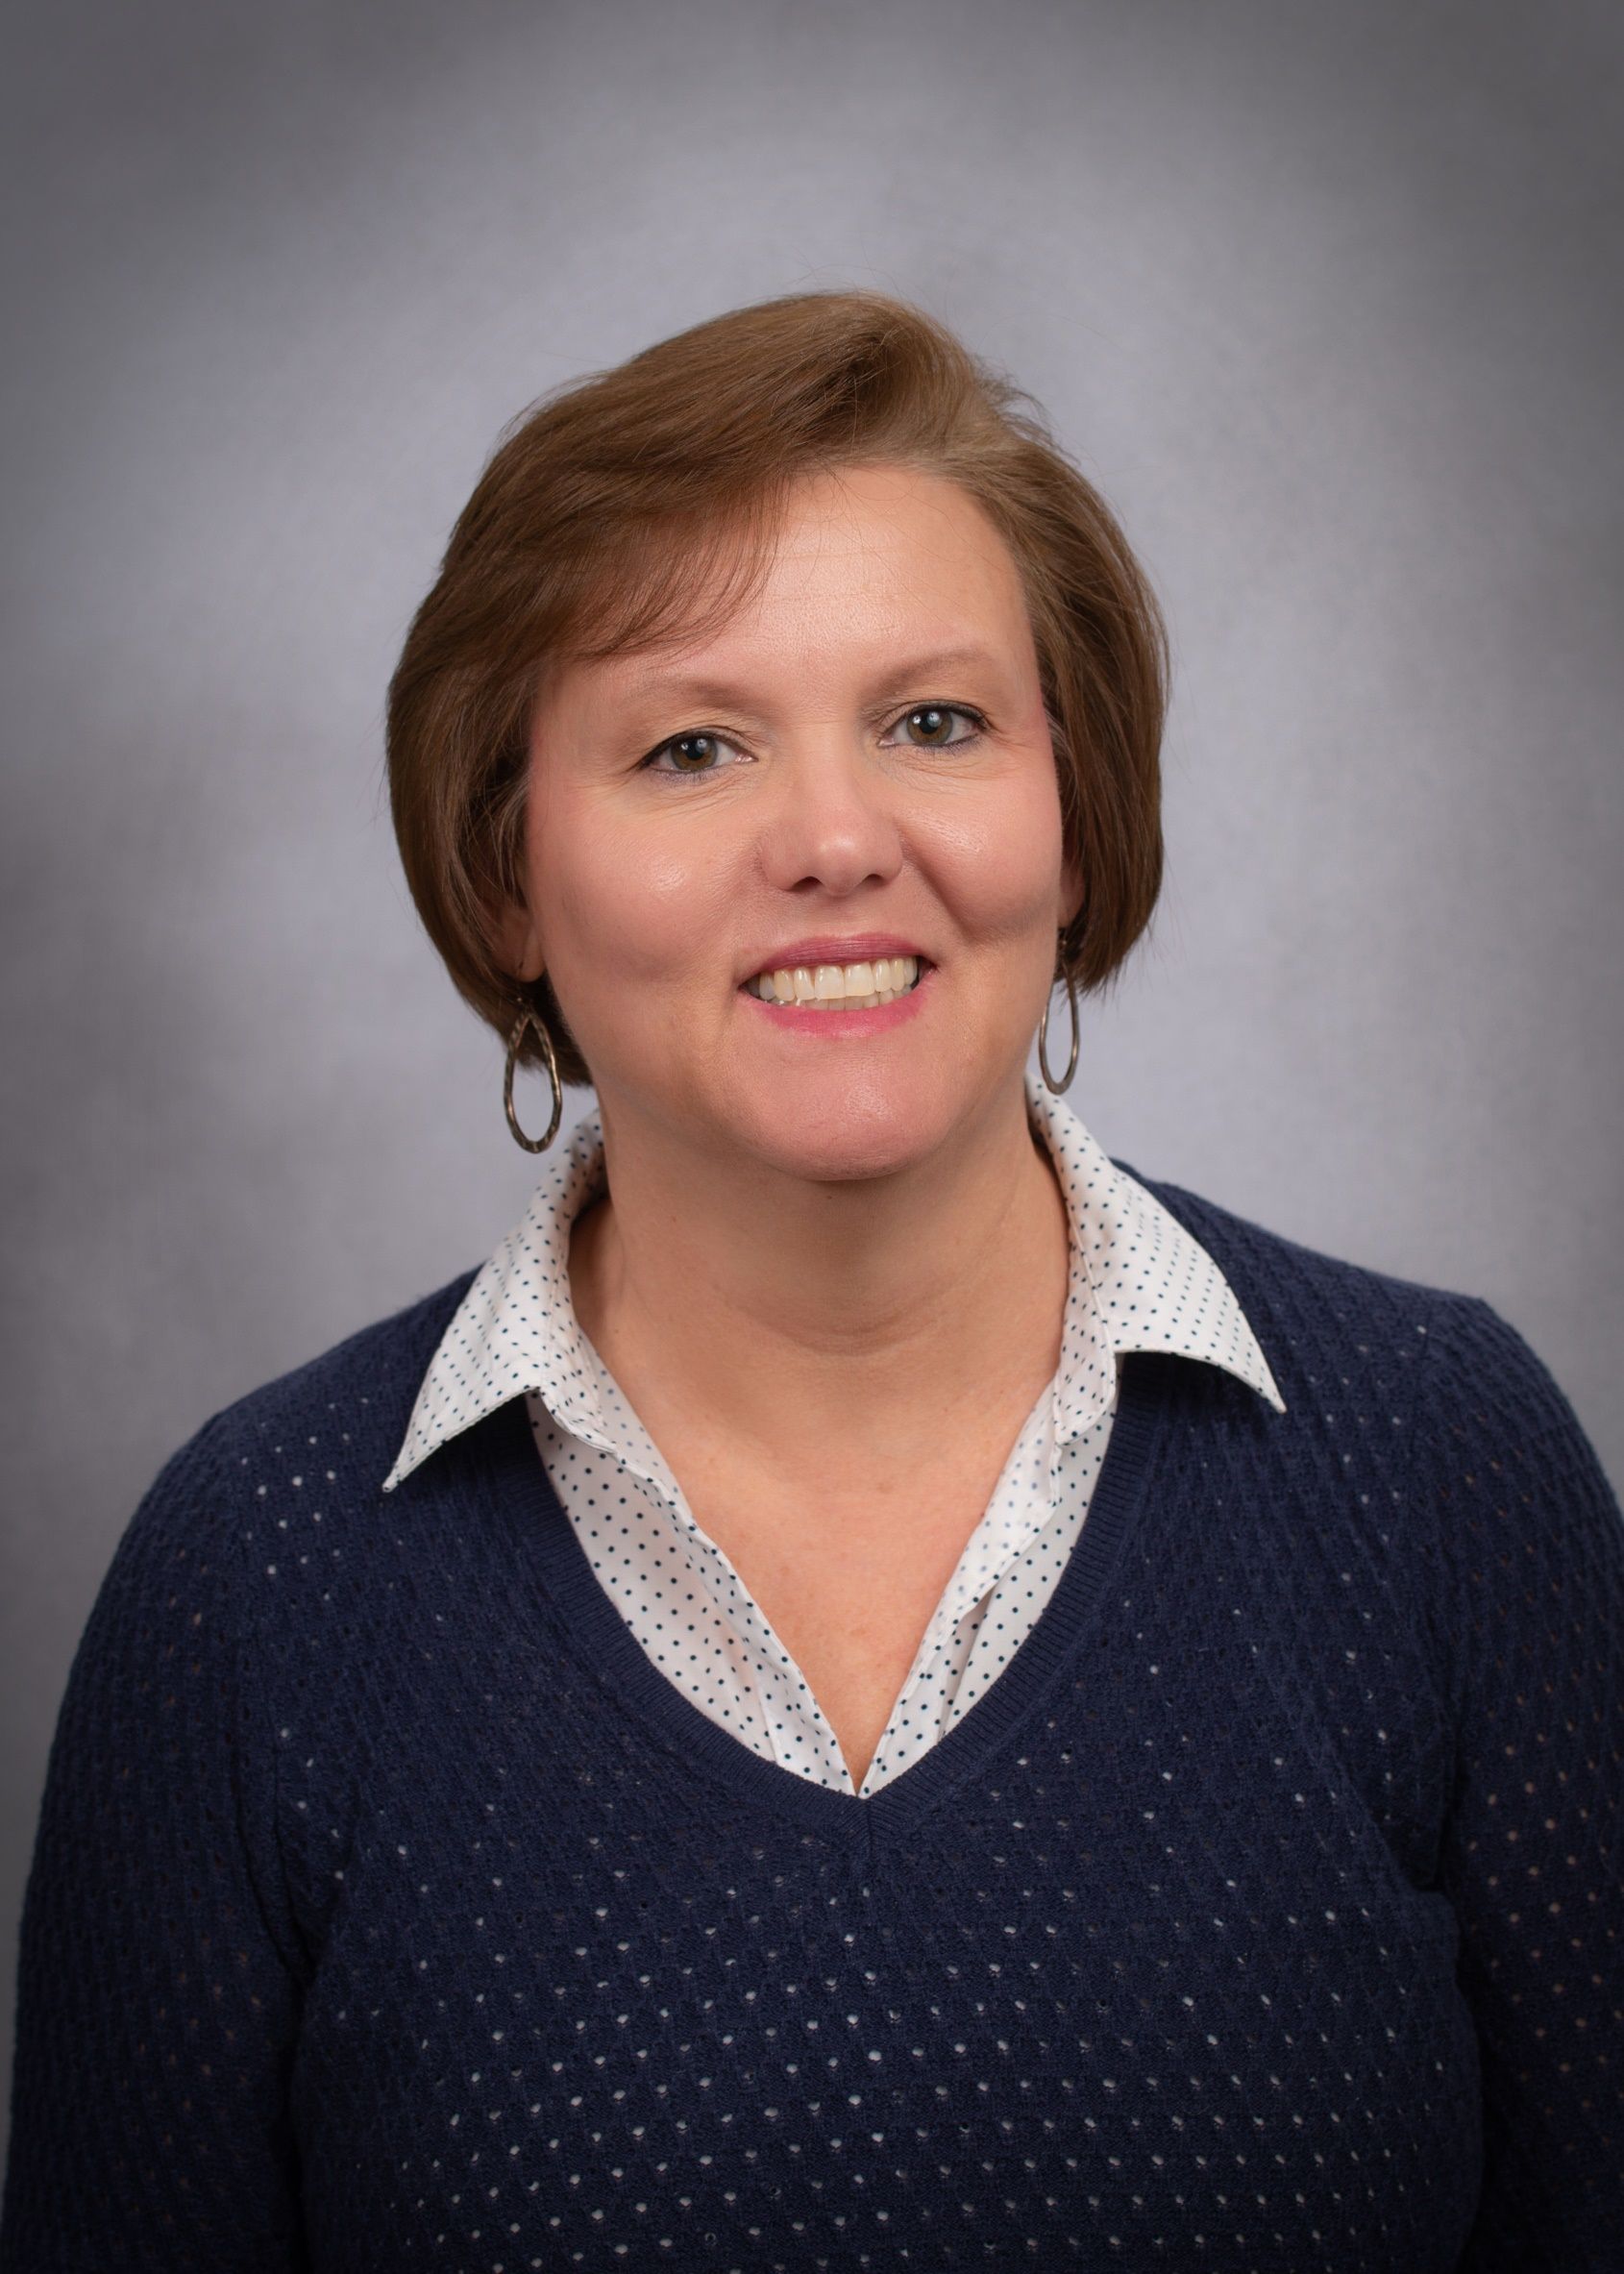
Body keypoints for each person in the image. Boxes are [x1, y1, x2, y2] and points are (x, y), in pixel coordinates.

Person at [2, 290, 1620, 2273]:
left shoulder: (1440, 1473)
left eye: (931, 721)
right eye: (691, 745)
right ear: (508, 875)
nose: (835, 840)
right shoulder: (250, 1584)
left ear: (1073, 810)